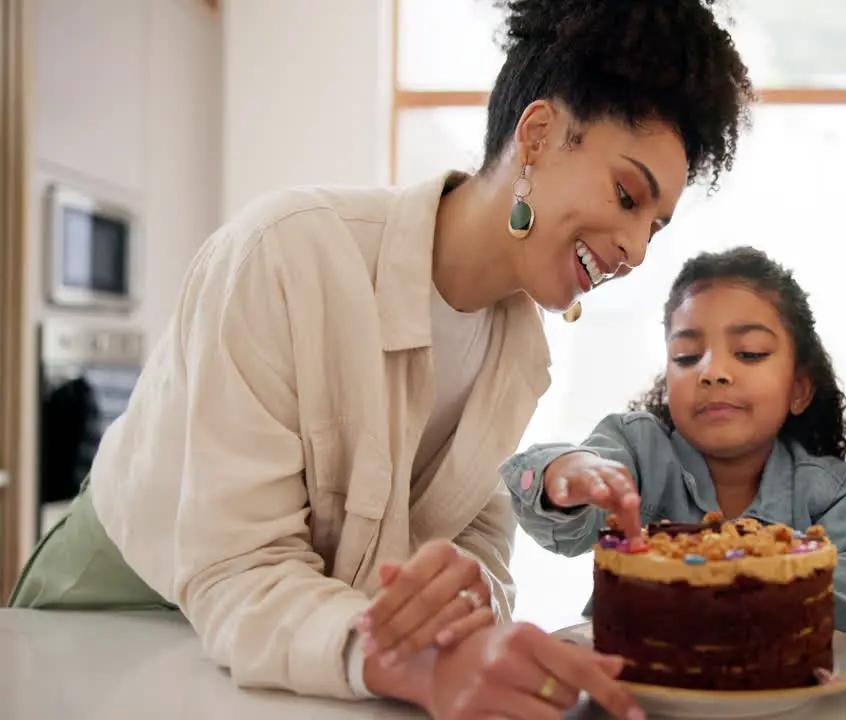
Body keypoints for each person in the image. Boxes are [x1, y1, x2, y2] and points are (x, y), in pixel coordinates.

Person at [9, 1, 753, 717]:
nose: (634, 249)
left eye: (655, 226)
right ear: (537, 135)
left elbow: (481, 547)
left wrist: (466, 599)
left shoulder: (519, 351)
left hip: (297, 648)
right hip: (116, 616)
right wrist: (415, 657)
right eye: (627, 196)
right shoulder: (290, 253)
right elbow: (237, 568)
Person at [501, 247, 846, 633]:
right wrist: (565, 471)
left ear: (799, 388)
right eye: (686, 356)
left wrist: (756, 580)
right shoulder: (637, 450)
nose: (713, 371)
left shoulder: (828, 490)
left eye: (749, 353)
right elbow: (564, 508)